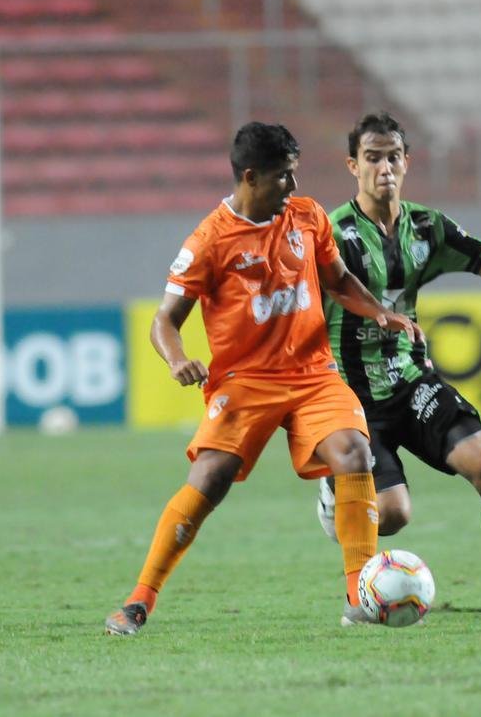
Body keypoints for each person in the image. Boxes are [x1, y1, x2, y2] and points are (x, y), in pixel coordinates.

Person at [105, 122, 420, 635]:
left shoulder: (307, 216)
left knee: (354, 452)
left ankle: (360, 596)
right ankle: (140, 599)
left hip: (313, 373)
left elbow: (338, 280)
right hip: (246, 380)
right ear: (250, 177)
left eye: (294, 176)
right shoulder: (209, 241)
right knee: (211, 478)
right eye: (282, 178)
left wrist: (381, 312)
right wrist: (177, 358)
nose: (292, 188)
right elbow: (164, 320)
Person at [316, 112, 481, 613]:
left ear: (407, 163)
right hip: (352, 396)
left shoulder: (427, 227)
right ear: (353, 165)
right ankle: (339, 509)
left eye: (393, 157)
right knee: (392, 515)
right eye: (372, 158)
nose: (384, 167)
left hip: (413, 381)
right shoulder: (331, 233)